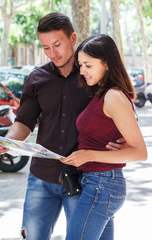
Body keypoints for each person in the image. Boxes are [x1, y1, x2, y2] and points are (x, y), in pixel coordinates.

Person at [0, 13, 124, 240]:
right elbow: (24, 121)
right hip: (41, 178)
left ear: (72, 39)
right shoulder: (36, 78)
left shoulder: (92, 75)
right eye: (45, 47)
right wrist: (9, 142)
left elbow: (120, 106)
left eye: (57, 45)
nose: (53, 53)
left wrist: (124, 136)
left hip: (84, 178)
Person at [60, 34, 147, 240]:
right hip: (96, 183)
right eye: (80, 65)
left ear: (106, 63)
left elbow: (140, 152)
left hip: (103, 185)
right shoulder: (101, 94)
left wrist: (88, 155)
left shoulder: (113, 96)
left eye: (88, 65)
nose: (82, 71)